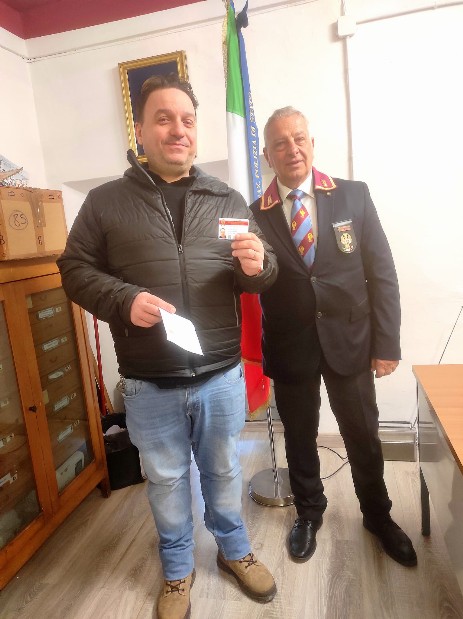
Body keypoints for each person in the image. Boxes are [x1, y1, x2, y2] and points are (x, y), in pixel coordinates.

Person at [57, 75, 278, 619]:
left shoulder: (226, 199)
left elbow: (258, 270)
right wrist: (122, 298)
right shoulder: (105, 203)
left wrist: (260, 265)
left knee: (223, 471)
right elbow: (74, 269)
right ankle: (177, 569)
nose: (178, 129)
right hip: (149, 382)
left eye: (187, 120)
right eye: (164, 118)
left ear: (196, 131)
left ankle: (234, 549)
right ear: (141, 130)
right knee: (165, 480)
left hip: (221, 374)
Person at [249, 106, 417, 568]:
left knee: (362, 435)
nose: (292, 149)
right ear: (268, 155)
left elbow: (382, 274)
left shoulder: (353, 196)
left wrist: (387, 345)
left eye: (299, 138)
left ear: (311, 143)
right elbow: (251, 281)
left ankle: (378, 516)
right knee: (300, 437)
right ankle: (308, 513)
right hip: (291, 347)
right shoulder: (255, 214)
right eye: (280, 143)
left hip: (351, 341)